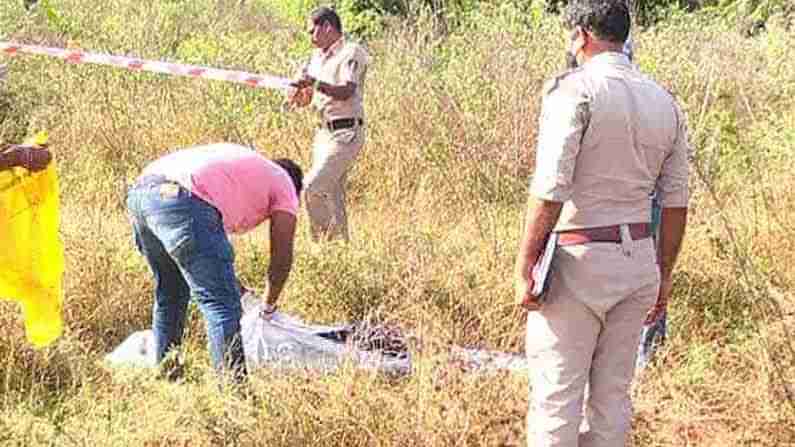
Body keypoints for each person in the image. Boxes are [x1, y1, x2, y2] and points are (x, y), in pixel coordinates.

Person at [513, 1, 690, 445]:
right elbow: (675, 202)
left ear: (580, 36)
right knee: (613, 402)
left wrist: (526, 265)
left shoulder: (574, 90)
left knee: (556, 401)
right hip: (637, 265)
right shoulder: (663, 101)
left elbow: (551, 188)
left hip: (578, 258)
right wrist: (663, 276)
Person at [126, 143, 303, 381]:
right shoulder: (284, 183)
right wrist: (268, 306)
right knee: (222, 305)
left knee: (172, 293)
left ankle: (167, 377)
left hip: (141, 195)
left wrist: (237, 287)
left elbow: (203, 256)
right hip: (183, 198)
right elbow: (281, 257)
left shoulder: (240, 170)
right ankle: (233, 393)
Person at [287, 6, 369, 242]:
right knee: (332, 194)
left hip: (346, 132)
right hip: (323, 133)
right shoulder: (316, 58)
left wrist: (315, 83)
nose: (310, 38)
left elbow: (346, 91)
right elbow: (308, 98)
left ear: (327, 27)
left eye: (313, 31)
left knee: (313, 188)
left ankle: (325, 247)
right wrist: (298, 93)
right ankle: (341, 250)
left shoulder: (351, 52)